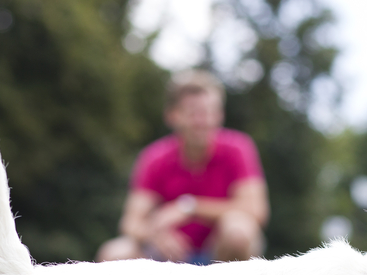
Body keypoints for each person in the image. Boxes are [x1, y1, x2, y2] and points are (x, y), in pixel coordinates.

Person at [96, 70, 269, 264]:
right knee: (115, 252)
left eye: (210, 112)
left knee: (238, 230)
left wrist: (189, 207)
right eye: (194, 112)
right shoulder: (154, 157)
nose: (203, 121)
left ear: (220, 114)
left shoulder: (239, 147)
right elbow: (131, 222)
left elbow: (255, 211)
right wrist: (155, 236)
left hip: (218, 256)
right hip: (170, 258)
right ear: (172, 116)